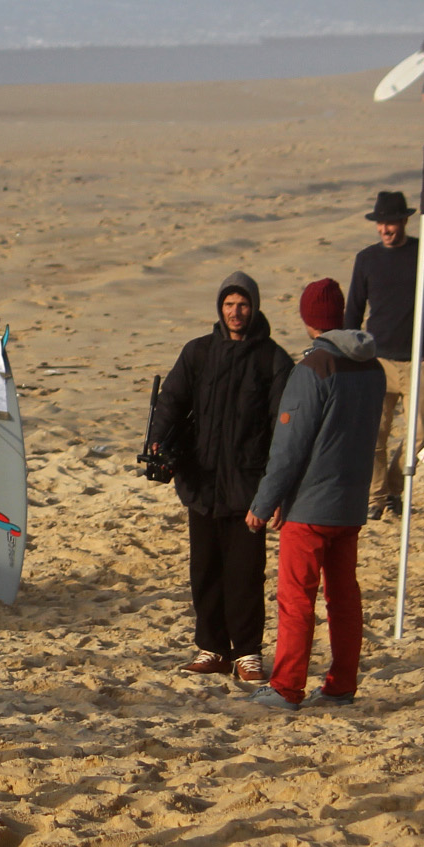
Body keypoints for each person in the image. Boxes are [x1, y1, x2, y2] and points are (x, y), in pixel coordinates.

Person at [246, 279, 384, 709]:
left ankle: (288, 686)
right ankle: (342, 682)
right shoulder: (372, 367)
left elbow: (289, 447)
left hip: (310, 504)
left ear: (309, 319)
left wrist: (262, 503)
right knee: (344, 597)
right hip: (351, 501)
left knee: (296, 599)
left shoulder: (314, 368)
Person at [147, 272, 291, 682]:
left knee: (245, 574)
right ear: (219, 308)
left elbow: (283, 427)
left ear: (254, 307)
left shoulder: (273, 359)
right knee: (205, 571)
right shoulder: (198, 353)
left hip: (248, 487)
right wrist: (158, 441)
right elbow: (171, 401)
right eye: (229, 304)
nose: (235, 312)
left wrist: (275, 488)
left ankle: (247, 653)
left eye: (242, 304)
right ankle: (211, 648)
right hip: (202, 484)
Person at [344, 191, 424, 522]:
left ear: (404, 221)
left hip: (420, 358)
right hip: (375, 360)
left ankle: (393, 487)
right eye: (381, 223)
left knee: (420, 433)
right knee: (373, 434)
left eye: (390, 222)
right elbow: (354, 309)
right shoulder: (366, 259)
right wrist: (350, 356)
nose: (385, 229)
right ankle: (377, 496)